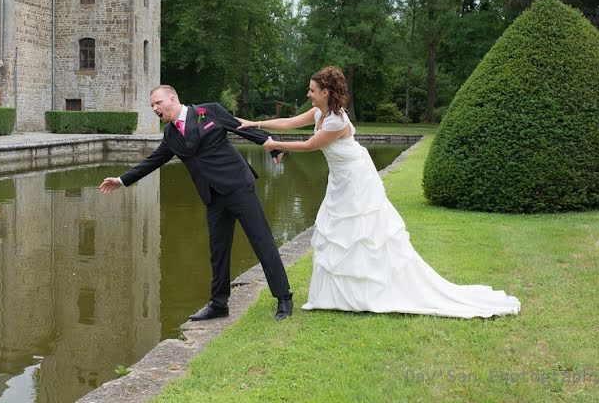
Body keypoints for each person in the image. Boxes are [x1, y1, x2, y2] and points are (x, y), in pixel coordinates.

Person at [238, 67, 520, 318]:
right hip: (340, 177)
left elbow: (312, 145)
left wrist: (276, 145)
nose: (308, 94)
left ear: (325, 92)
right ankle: (341, 295)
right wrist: (255, 124)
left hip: (356, 178)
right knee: (339, 232)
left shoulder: (336, 121)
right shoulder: (319, 112)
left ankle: (369, 291)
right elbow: (290, 122)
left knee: (364, 233)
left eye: (312, 90)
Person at [99, 85, 294, 321]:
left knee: (262, 241)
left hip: (239, 187)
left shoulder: (208, 111)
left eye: (158, 103)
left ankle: (283, 298)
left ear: (173, 98)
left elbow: (239, 126)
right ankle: (219, 304)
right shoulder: (170, 135)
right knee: (218, 251)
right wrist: (121, 180)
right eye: (152, 106)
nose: (155, 108)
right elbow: (153, 161)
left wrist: (271, 146)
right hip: (212, 197)